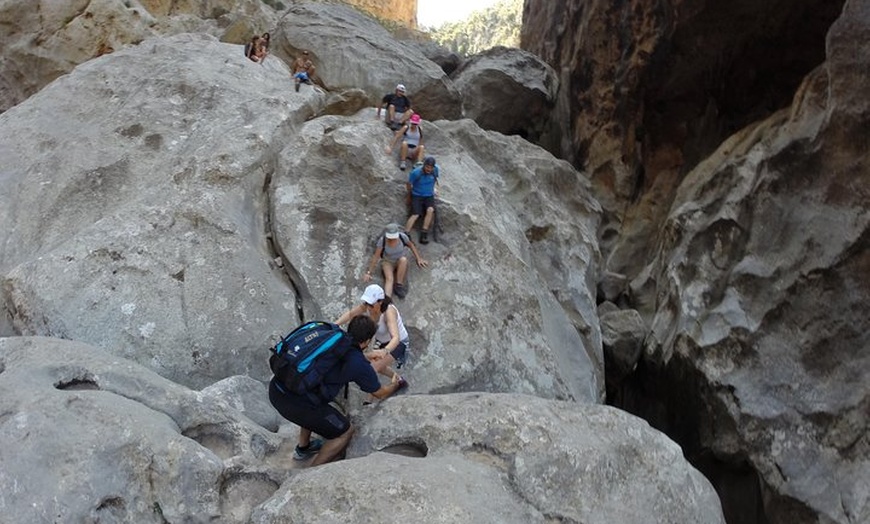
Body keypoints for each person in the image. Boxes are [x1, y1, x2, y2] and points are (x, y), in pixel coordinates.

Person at [268, 315, 405, 466]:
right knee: (345, 432)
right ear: (367, 341)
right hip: (295, 404)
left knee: (312, 395)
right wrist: (395, 384)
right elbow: (379, 393)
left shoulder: (334, 338)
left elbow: (338, 361)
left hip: (277, 388)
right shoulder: (359, 365)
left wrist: (365, 356)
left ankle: (303, 448)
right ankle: (310, 473)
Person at [335, 285, 411, 394]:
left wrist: (385, 351)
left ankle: (374, 395)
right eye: (366, 303)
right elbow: (350, 314)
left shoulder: (389, 312)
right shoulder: (367, 307)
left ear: (380, 302)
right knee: (379, 366)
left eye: (371, 304)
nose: (368, 307)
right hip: (382, 341)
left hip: (398, 343)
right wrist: (334, 325)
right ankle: (398, 379)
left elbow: (396, 337)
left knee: (372, 368)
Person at [362, 222, 427, 299]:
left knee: (404, 260)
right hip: (387, 262)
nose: (392, 239)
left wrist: (418, 258)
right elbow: (376, 257)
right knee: (389, 279)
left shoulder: (402, 237)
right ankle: (387, 299)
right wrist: (369, 273)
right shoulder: (382, 241)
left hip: (399, 260)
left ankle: (399, 285)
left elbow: (411, 245)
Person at [405, 156, 440, 244]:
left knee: (430, 210)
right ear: (424, 165)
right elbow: (409, 184)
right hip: (417, 195)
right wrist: (409, 195)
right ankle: (406, 233)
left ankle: (424, 232)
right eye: (427, 167)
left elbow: (436, 179)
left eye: (431, 167)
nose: (429, 169)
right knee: (415, 214)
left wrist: (435, 189)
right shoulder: (416, 173)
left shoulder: (435, 170)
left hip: (428, 195)